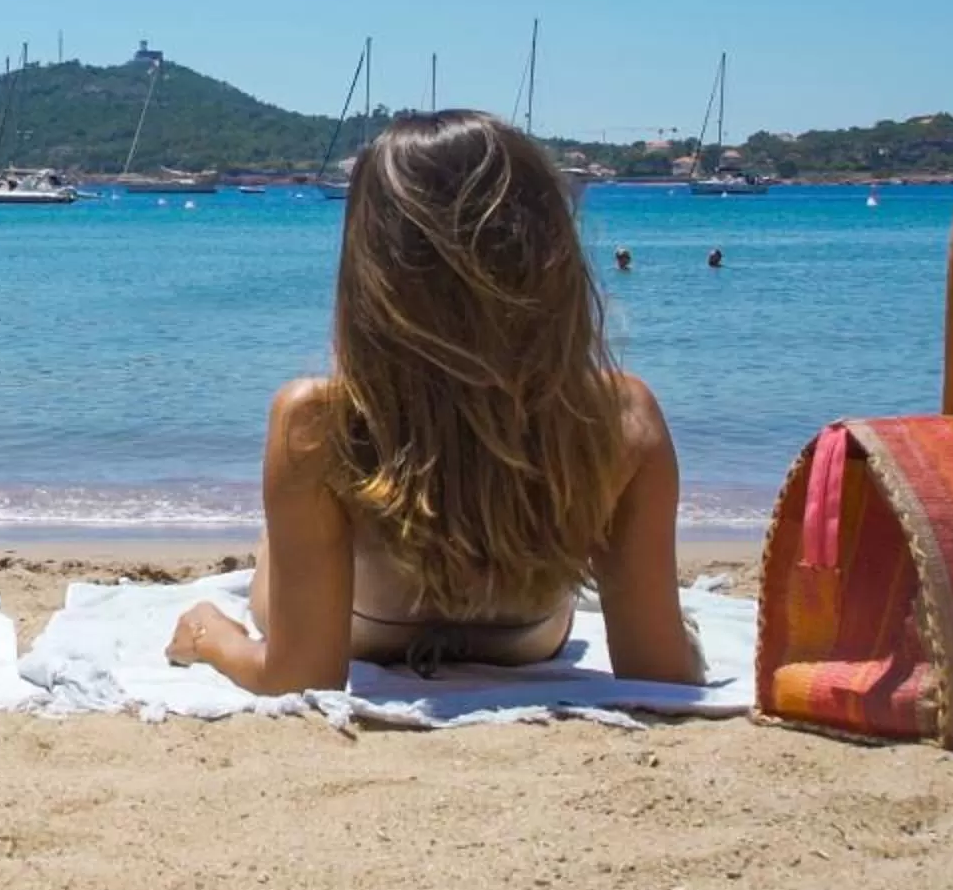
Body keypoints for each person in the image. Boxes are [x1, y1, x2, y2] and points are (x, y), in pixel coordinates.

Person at [165, 110, 701, 690]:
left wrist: (210, 634)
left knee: (283, 534)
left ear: (372, 265)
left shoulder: (317, 421)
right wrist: (688, 643)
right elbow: (660, 672)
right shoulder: (621, 416)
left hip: (360, 627)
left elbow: (299, 675)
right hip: (526, 638)